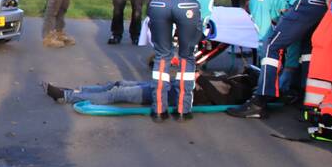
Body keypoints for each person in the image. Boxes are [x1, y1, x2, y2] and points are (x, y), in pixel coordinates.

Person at [226, 0, 326, 119]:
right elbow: (293, 40)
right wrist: (289, 69)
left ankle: (259, 102)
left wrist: (265, 75)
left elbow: (265, 38)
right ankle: (306, 97)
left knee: (271, 46)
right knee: (307, 49)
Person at [146, 0, 216, 121]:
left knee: (162, 56)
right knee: (187, 56)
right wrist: (201, 29)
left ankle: (159, 109)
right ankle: (183, 109)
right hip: (187, 5)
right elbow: (206, 8)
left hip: (158, 3)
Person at [42, 70, 256, 108]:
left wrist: (202, 79)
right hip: (171, 86)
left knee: (117, 94)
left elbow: (219, 100)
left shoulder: (239, 93)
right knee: (119, 84)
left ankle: (66, 96)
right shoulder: (235, 79)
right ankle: (76, 90)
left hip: (173, 96)